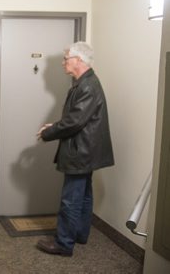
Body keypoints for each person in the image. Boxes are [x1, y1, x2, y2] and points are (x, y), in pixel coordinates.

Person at [36, 42, 114, 257]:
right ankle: (79, 234)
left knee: (71, 198)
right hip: (87, 149)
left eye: (66, 59)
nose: (63, 63)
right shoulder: (85, 83)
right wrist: (55, 126)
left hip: (81, 151)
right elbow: (78, 118)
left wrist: (48, 133)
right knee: (84, 194)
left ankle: (63, 243)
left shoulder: (87, 85)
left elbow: (74, 122)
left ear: (79, 60)